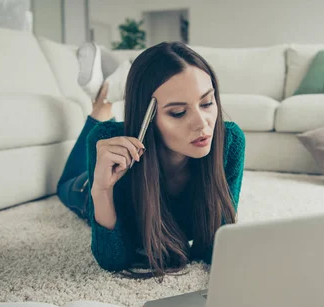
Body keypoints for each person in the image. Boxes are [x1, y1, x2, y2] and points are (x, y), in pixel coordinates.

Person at [57, 41, 246, 282]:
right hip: (91, 187)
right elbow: (112, 259)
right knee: (64, 186)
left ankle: (103, 92)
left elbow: (214, 247)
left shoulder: (228, 141)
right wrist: (102, 190)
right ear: (146, 116)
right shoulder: (108, 140)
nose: (202, 124)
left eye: (207, 103)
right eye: (178, 112)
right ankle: (101, 103)